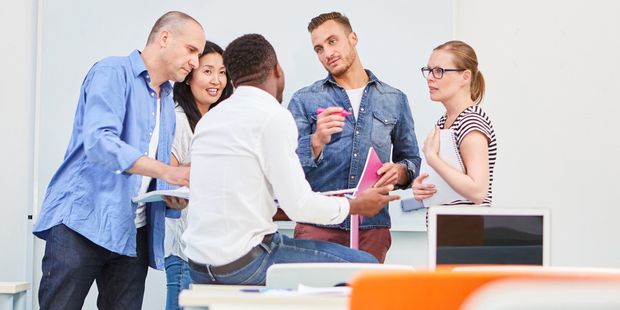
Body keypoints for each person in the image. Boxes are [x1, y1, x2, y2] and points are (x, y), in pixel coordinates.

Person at [182, 33, 399, 286]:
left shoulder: (211, 119)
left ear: (232, 78)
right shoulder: (273, 116)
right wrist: (356, 206)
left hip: (198, 265)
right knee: (369, 267)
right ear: (277, 70)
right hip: (246, 263)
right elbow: (299, 206)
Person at [33, 11, 205, 310]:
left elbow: (147, 173)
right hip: (82, 224)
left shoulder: (166, 100)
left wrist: (170, 195)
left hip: (131, 232)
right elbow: (100, 141)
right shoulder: (112, 72)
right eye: (192, 50)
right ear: (164, 38)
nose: (195, 62)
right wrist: (168, 171)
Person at [287, 12, 421, 263]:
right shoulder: (304, 99)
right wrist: (315, 141)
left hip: (372, 229)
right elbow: (286, 165)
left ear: (353, 38)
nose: (327, 53)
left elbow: (411, 159)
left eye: (332, 41)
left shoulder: (394, 99)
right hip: (318, 224)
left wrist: (401, 172)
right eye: (319, 48)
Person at [164, 40, 233, 310]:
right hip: (185, 249)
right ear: (190, 75)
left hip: (216, 249)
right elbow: (169, 178)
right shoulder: (180, 120)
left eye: (223, 72)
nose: (217, 80)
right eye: (207, 71)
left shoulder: (219, 123)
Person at [412, 40, 497, 206]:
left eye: (439, 71)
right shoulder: (444, 121)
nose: (429, 78)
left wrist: (433, 159)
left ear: (465, 77)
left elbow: (478, 191)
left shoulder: (471, 121)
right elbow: (451, 184)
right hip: (447, 229)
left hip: (466, 230)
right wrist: (422, 189)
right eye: (429, 70)